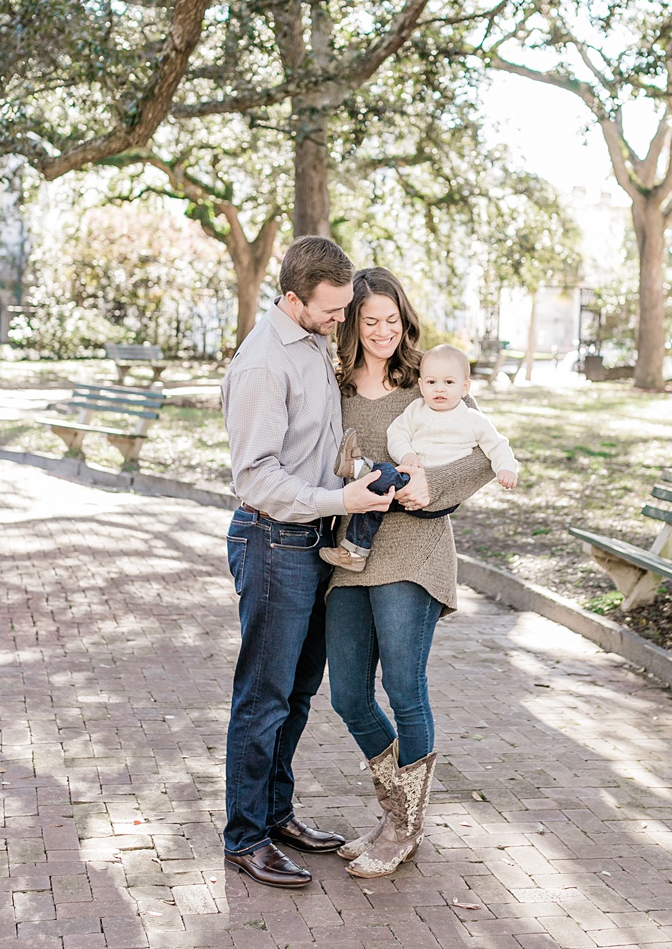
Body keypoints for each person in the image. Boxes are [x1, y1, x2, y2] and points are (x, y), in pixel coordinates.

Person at [220, 237, 394, 889]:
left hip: (314, 541)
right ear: (293, 298)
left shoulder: (313, 342)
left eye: (346, 307)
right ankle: (245, 838)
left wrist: (361, 478)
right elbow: (257, 478)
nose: (342, 321)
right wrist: (337, 497)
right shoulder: (264, 364)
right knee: (262, 700)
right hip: (272, 543)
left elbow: (313, 447)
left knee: (296, 695)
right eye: (332, 310)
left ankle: (276, 814)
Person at [324, 267, 498, 879]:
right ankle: (397, 806)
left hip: (415, 552)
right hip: (351, 555)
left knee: (404, 688)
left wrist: (432, 485)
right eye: (369, 320)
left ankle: (403, 828)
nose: (382, 331)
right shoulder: (335, 383)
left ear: (405, 319)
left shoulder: (430, 378)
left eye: (391, 320)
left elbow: (483, 452)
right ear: (351, 323)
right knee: (347, 693)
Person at [321, 343, 519, 570]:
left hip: (438, 495)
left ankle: (358, 467)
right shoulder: (417, 409)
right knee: (373, 499)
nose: (440, 389)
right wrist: (406, 455)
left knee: (383, 475)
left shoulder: (472, 419)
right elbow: (396, 433)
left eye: (449, 382)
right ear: (421, 385)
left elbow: (497, 445)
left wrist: (507, 468)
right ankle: (355, 552)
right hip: (408, 483)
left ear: (465, 387)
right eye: (432, 382)